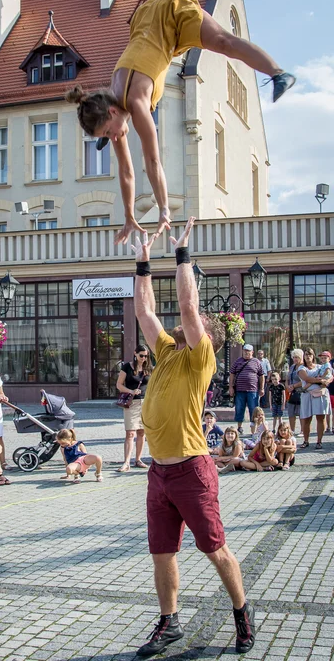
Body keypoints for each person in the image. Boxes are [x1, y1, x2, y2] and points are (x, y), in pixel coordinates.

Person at [66, 0, 295, 244]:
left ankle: (278, 73)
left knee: (222, 42)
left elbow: (152, 162)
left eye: (108, 131)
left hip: (171, 12)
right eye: (107, 135)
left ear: (112, 111)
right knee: (122, 133)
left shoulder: (136, 103)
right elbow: (126, 171)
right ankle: (105, 134)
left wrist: (164, 208)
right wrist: (129, 216)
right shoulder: (113, 100)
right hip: (147, 22)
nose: (115, 136)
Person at [132, 219, 255, 657]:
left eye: (198, 320)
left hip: (192, 470)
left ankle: (242, 611)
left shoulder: (200, 357)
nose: (189, 320)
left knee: (215, 550)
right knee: (162, 552)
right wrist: (144, 260)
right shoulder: (166, 350)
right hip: (159, 474)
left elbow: (187, 305)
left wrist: (182, 254)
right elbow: (145, 311)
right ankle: (169, 623)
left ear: (208, 337)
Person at [116, 345, 152, 472]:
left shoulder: (148, 368)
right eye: (141, 355)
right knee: (130, 433)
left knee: (142, 432)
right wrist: (131, 391)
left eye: (146, 356)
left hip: (146, 403)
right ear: (135, 353)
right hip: (132, 403)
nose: (144, 358)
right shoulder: (127, 367)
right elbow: (119, 385)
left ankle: (138, 459)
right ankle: (126, 462)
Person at [298, 348, 331, 450]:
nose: (308, 357)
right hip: (307, 395)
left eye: (310, 355)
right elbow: (306, 378)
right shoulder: (301, 368)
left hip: (320, 394)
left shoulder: (320, 367)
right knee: (307, 419)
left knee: (320, 418)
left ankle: (319, 441)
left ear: (313, 356)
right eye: (306, 355)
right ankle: (306, 441)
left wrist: (326, 381)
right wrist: (319, 380)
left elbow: (330, 376)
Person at [229, 344, 265, 436]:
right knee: (239, 408)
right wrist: (230, 387)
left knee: (254, 409)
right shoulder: (238, 361)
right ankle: (239, 427)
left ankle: (255, 429)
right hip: (240, 390)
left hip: (253, 390)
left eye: (248, 351)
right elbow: (232, 374)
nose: (246, 353)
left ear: (252, 352)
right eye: (245, 351)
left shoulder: (256, 362)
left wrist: (262, 388)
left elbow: (261, 376)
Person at [286, 350, 304, 436]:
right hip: (292, 392)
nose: (295, 359)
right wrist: (287, 386)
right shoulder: (292, 367)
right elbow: (288, 378)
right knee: (291, 412)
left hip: (301, 391)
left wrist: (294, 386)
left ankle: (302, 430)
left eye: (297, 357)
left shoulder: (304, 367)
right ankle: (292, 430)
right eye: (294, 357)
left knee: (301, 412)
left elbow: (304, 380)